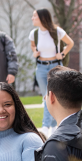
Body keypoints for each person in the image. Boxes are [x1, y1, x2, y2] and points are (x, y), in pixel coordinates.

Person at [29, 9, 75, 137]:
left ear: (42, 18)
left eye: (34, 16)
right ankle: (54, 127)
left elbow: (70, 43)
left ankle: (46, 126)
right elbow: (33, 45)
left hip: (55, 67)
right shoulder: (34, 34)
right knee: (46, 97)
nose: (32, 18)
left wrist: (63, 53)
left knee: (51, 96)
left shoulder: (57, 31)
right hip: (41, 67)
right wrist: (35, 51)